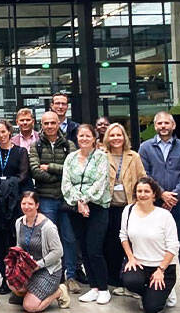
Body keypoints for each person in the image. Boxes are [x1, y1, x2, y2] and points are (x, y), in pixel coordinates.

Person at [139, 111, 180, 301]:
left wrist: (174, 196)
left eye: (166, 123)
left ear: (173, 126)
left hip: (179, 203)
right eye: (159, 123)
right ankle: (159, 278)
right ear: (155, 126)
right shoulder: (146, 147)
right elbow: (145, 173)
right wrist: (161, 193)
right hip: (154, 203)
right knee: (153, 241)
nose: (163, 126)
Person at [28, 111, 79, 292]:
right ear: (41, 125)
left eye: (52, 123)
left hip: (66, 199)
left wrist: (50, 167)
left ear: (59, 123)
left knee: (69, 238)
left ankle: (71, 276)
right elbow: (35, 171)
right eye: (46, 123)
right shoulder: (36, 146)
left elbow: (74, 170)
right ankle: (50, 276)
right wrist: (62, 174)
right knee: (48, 241)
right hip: (46, 198)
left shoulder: (69, 145)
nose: (49, 126)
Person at [61, 124, 111, 304]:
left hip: (97, 207)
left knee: (95, 249)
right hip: (76, 208)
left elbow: (100, 182)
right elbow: (66, 184)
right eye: (81, 136)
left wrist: (86, 200)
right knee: (83, 248)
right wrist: (79, 202)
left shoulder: (101, 157)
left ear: (94, 138)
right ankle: (94, 287)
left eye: (87, 136)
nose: (83, 139)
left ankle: (104, 288)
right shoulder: (70, 158)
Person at [0, 119, 30, 290]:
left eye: (3, 132)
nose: (1, 135)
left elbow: (23, 175)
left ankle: (16, 277)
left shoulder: (21, 152)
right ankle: (3, 278)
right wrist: (2, 185)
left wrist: (4, 183)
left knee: (13, 240)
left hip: (14, 203)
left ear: (9, 132)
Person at [120, 177, 180, 313]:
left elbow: (173, 246)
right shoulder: (128, 211)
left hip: (162, 268)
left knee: (151, 308)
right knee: (130, 281)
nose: (142, 194)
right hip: (139, 264)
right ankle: (149, 293)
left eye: (146, 191)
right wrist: (131, 258)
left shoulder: (164, 216)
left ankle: (165, 291)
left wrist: (160, 270)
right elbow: (123, 236)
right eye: (139, 191)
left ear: (154, 194)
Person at [103, 123, 146, 296]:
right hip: (108, 207)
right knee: (110, 244)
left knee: (129, 243)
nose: (115, 138)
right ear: (107, 137)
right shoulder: (101, 155)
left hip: (129, 207)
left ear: (124, 137)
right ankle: (112, 279)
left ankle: (130, 277)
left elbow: (143, 177)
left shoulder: (133, 156)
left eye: (119, 135)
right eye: (112, 135)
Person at [8, 191, 70, 311]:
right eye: (23, 203)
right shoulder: (19, 222)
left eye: (30, 204)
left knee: (29, 306)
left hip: (48, 270)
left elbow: (58, 252)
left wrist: (38, 265)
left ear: (37, 205)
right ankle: (31, 293)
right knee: (12, 283)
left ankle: (59, 291)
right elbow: (19, 245)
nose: (26, 207)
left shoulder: (48, 227)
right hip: (29, 268)